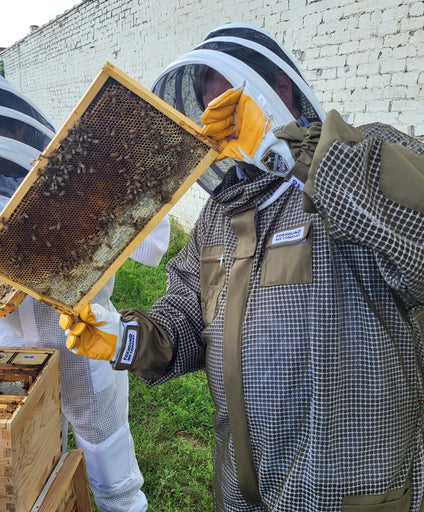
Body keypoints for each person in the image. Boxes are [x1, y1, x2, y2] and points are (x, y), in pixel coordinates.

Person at [59, 23, 424, 512]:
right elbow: (188, 312)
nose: (227, 130)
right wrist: (127, 337)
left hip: (347, 494)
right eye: (216, 116)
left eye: (234, 109)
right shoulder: (220, 214)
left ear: (281, 91)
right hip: (241, 487)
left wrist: (286, 152)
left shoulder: (362, 155)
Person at [0, 62, 171, 512]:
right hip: (15, 343)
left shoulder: (75, 169)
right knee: (37, 449)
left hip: (84, 336)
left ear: (16, 126)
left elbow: (151, 240)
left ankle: (122, 505)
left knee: (104, 447)